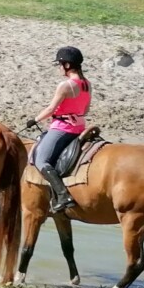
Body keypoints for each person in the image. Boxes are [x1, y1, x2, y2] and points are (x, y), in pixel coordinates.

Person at [31, 46, 92, 214]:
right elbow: (85, 110)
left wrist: (35, 120)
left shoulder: (65, 85)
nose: (59, 68)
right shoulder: (87, 85)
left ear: (67, 65)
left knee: (41, 160)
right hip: (80, 128)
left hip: (63, 129)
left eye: (60, 64)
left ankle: (63, 195)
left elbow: (51, 109)